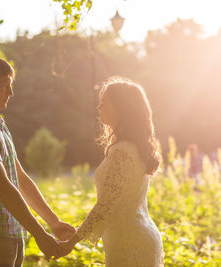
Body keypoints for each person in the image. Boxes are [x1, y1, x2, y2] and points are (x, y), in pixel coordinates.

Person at [0, 54, 74, 266]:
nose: (11, 93)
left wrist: (53, 223)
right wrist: (40, 234)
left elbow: (20, 179)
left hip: (12, 231)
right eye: (5, 86)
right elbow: (3, 186)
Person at [59, 77, 164, 266]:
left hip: (129, 242)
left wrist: (70, 243)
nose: (99, 108)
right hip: (138, 236)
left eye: (104, 103)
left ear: (120, 108)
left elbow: (105, 206)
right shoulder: (133, 147)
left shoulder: (122, 151)